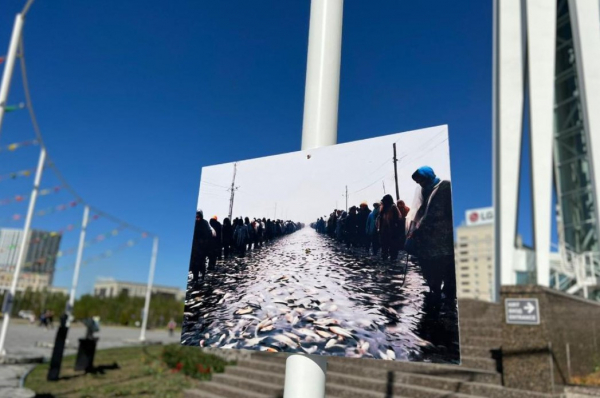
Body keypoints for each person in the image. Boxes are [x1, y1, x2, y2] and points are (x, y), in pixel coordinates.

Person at [409, 166, 455, 302]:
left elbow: (434, 214)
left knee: (444, 269)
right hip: (430, 240)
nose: (420, 184)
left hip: (443, 239)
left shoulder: (444, 187)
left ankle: (446, 299)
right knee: (432, 269)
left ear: (428, 177)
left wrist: (417, 231)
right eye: (418, 182)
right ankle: (436, 293)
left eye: (421, 181)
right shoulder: (427, 191)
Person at [188, 210, 213, 285]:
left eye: (198, 217)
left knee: (201, 263)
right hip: (195, 247)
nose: (197, 218)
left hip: (202, 247)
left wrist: (206, 246)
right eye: (196, 217)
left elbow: (208, 234)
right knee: (194, 263)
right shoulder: (194, 223)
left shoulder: (204, 223)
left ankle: (202, 276)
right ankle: (195, 277)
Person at [377, 194, 402, 261]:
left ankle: (393, 259)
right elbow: (380, 220)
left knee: (393, 247)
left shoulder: (393, 207)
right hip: (384, 231)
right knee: (384, 247)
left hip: (392, 231)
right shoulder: (383, 208)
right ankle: (385, 258)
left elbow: (398, 219)